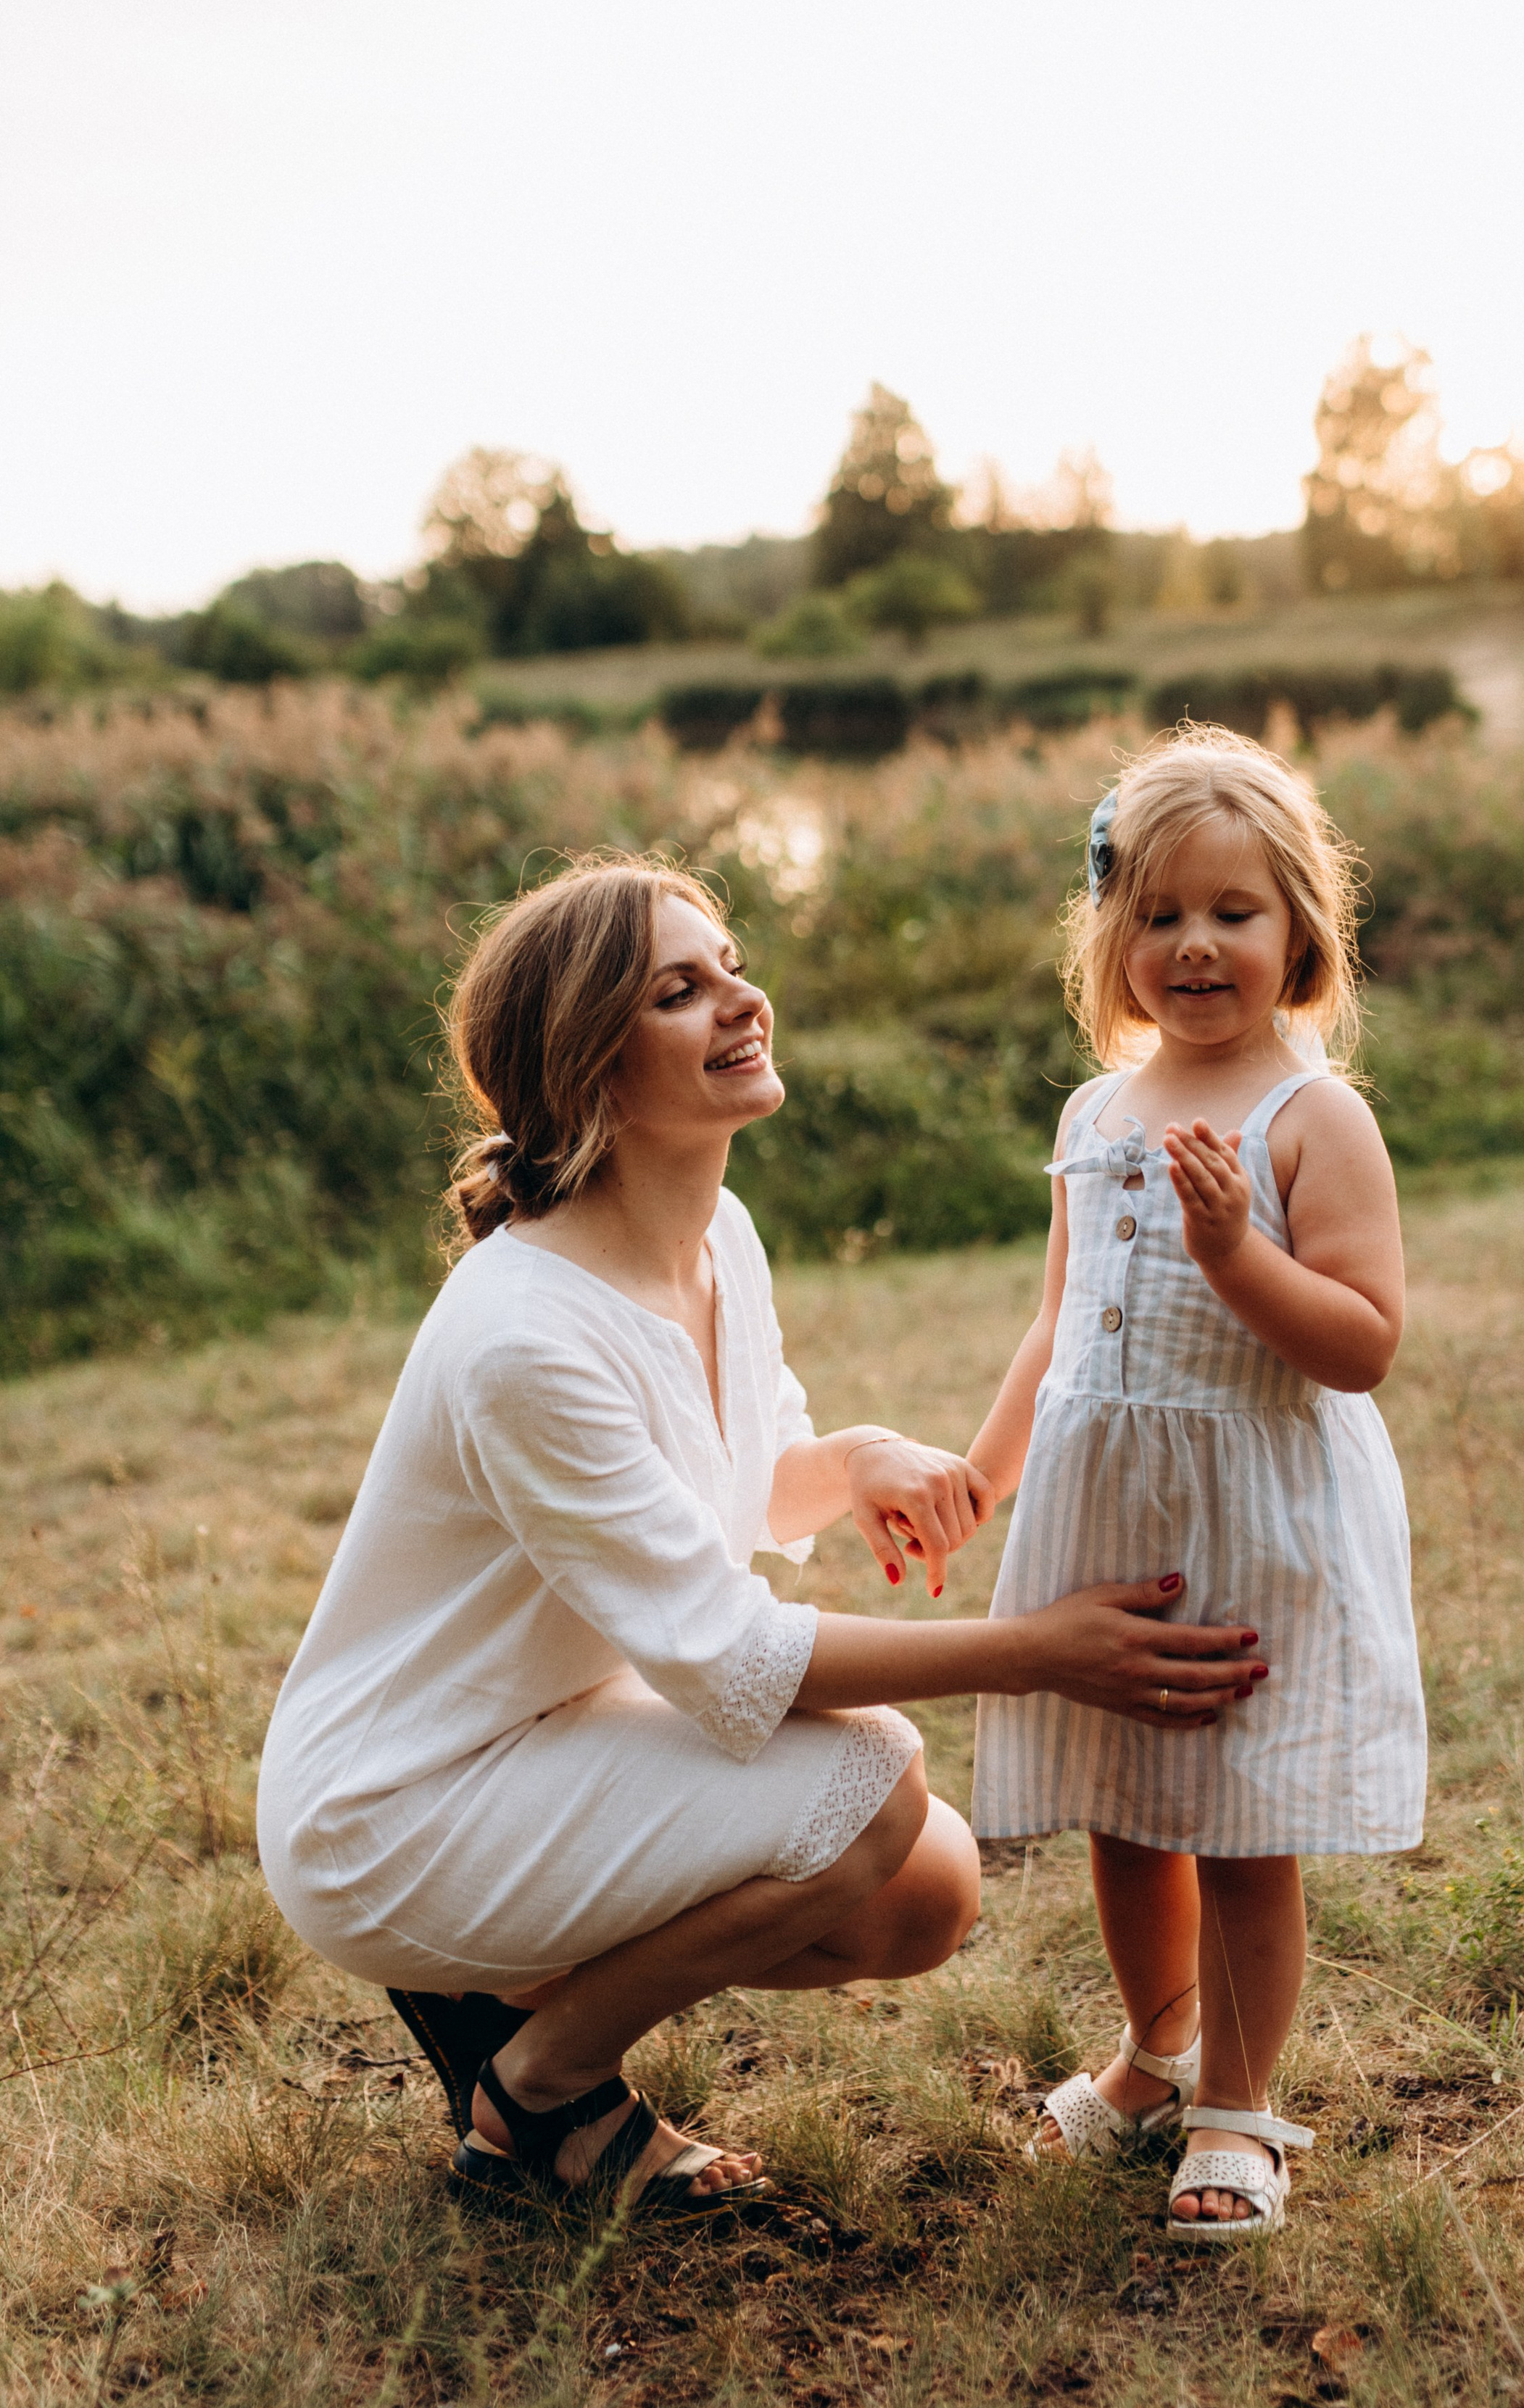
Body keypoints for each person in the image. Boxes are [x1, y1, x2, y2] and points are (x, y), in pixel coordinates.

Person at [257, 850, 1267, 2216]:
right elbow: (732, 1657)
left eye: (731, 963)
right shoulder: (524, 1336)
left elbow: (745, 1482)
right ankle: (537, 2082)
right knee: (875, 1780)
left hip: (541, 1732)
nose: (744, 999)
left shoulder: (719, 1231)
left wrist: (853, 1461)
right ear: (590, 1065)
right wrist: (1037, 1648)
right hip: (394, 1809)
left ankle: (501, 1990)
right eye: (683, 989)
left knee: (927, 1890)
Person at [967, 727, 1426, 2242]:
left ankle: (1237, 2102)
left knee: (1236, 1822)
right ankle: (1152, 2055)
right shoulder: (1094, 1114)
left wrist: (1237, 1253)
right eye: (1155, 914)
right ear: (1111, 938)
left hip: (1251, 1518)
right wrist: (986, 1469)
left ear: (1298, 928)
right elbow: (1059, 1316)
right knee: (1123, 1811)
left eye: (1231, 912)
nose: (1192, 945)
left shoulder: (1310, 1116)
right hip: (1110, 1509)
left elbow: (1359, 1345)